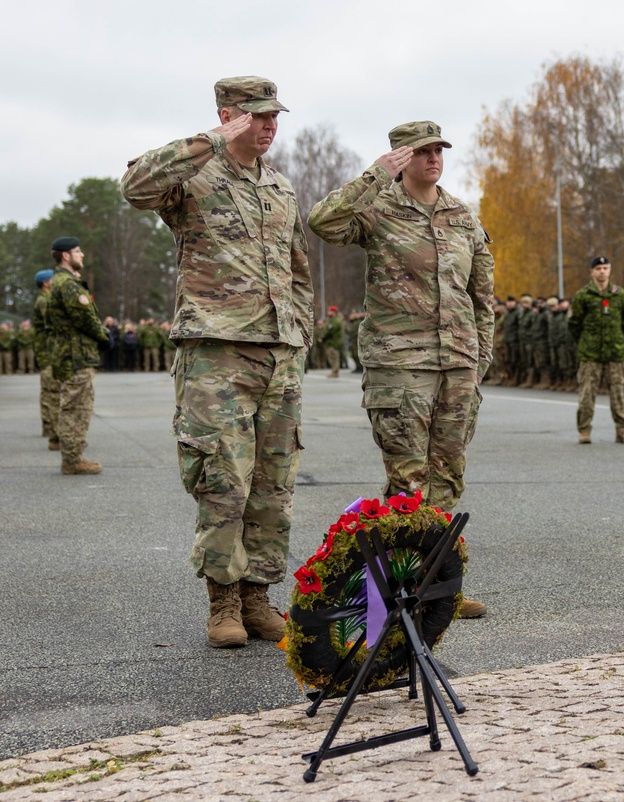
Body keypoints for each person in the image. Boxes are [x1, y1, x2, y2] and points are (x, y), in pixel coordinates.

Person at [121, 76, 314, 649]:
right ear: (229, 114)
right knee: (223, 479)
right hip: (216, 353)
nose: (269, 125)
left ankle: (258, 597)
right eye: (257, 116)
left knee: (273, 484)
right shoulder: (193, 177)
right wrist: (209, 138)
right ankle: (223, 602)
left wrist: (300, 333)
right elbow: (134, 185)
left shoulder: (280, 188)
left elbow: (298, 269)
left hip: (279, 355)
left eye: (274, 116)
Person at [308, 120, 494, 619]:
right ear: (400, 157)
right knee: (408, 484)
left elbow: (481, 295)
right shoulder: (377, 208)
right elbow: (322, 222)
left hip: (457, 364)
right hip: (399, 365)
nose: (434, 159)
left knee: (447, 479)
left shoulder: (460, 215)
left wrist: (481, 359)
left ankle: (439, 589)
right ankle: (401, 590)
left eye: (439, 150)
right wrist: (374, 176)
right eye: (423, 152)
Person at [47, 236, 109, 473]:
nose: (82, 255)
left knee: (74, 407)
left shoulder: (63, 282)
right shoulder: (68, 285)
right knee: (76, 409)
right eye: (78, 251)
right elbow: (85, 319)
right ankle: (72, 460)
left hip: (73, 355)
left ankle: (72, 457)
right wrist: (104, 337)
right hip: (76, 356)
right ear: (66, 256)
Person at [569, 256, 624, 444]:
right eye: (598, 268)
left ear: (610, 270)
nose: (602, 272)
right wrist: (585, 341)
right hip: (590, 353)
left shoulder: (619, 294)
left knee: (618, 393)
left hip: (615, 351)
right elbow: (574, 323)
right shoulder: (583, 295)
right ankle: (584, 430)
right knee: (587, 393)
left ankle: (623, 430)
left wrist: (615, 338)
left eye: (605, 268)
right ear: (592, 272)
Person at [32, 269, 61, 450]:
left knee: (48, 393)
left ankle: (48, 428)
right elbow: (54, 322)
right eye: (53, 279)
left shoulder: (45, 299)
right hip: (49, 354)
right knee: (52, 394)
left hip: (47, 353)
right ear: (45, 283)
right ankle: (55, 434)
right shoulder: (44, 301)